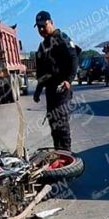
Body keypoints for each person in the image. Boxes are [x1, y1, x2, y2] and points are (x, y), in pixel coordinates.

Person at [33, 10, 79, 151]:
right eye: (39, 27)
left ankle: (67, 155)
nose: (41, 29)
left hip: (62, 88)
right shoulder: (42, 47)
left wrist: (69, 80)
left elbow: (74, 59)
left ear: (51, 23)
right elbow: (41, 72)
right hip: (51, 91)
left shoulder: (62, 38)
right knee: (53, 123)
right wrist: (38, 91)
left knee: (61, 123)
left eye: (44, 25)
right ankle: (59, 153)